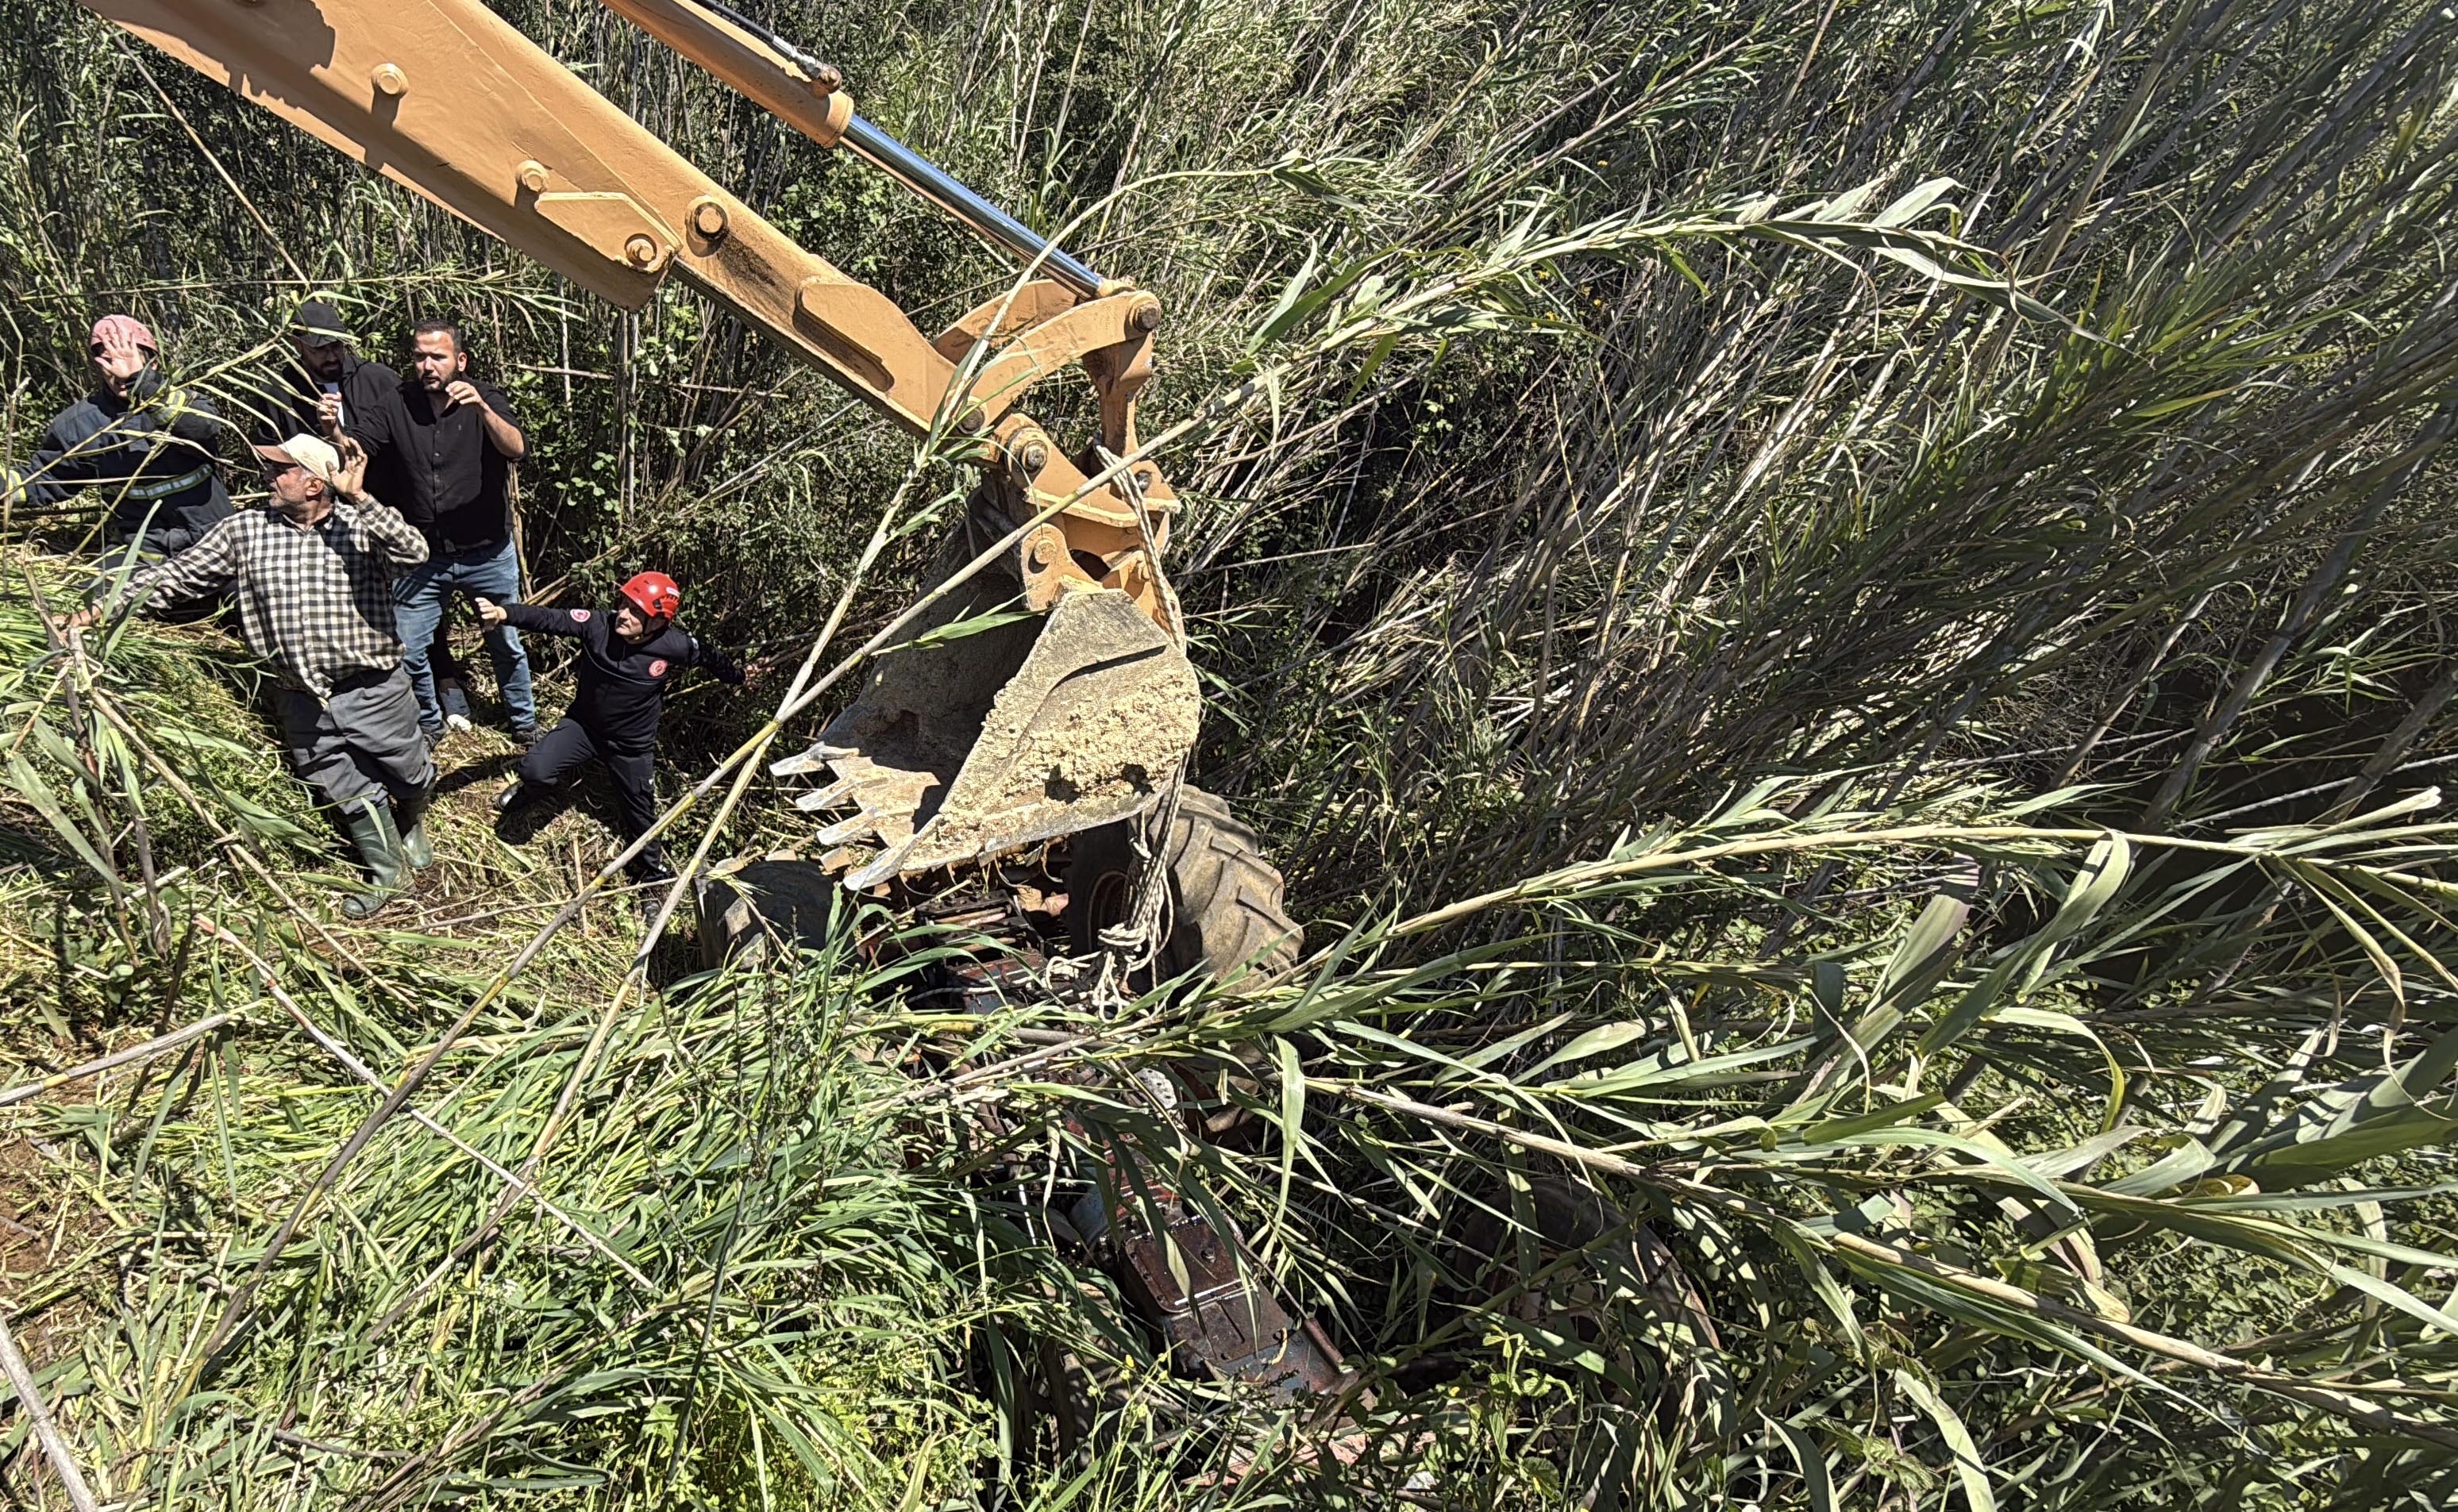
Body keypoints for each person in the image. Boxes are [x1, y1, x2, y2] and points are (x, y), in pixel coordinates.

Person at [61, 433, 437, 919]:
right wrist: (102, 607)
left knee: (407, 768)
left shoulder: (358, 527)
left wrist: (360, 497)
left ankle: (411, 822)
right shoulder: (244, 531)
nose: (269, 476)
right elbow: (177, 576)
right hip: (299, 692)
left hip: (372, 686)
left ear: (313, 485)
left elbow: (416, 553)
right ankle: (389, 871)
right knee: (339, 781)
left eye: (282, 469)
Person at [345, 317, 538, 744]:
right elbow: (360, 445)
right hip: (422, 556)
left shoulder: (484, 397)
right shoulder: (398, 402)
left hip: (487, 553)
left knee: (506, 644)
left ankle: (524, 725)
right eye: (419, 356)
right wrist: (333, 434)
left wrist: (483, 412)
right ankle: (430, 724)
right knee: (410, 649)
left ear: (460, 360)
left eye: (438, 356)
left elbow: (517, 448)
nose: (427, 365)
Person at [481, 571, 740, 885]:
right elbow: (552, 619)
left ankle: (650, 876)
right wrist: (505, 613)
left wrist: (739, 677)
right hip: (583, 727)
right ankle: (534, 792)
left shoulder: (675, 645)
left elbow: (711, 657)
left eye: (636, 612)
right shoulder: (599, 624)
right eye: (625, 603)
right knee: (534, 769)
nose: (624, 614)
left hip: (630, 746)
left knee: (641, 815)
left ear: (658, 622)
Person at [4, 314, 233, 557]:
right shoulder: (80, 425)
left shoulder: (183, 401)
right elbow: (46, 478)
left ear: (153, 363)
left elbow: (203, 428)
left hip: (213, 536)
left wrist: (143, 384)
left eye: (130, 360)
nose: (119, 373)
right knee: (103, 593)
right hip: (142, 544)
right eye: (109, 362)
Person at [253, 296, 398, 448]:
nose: (331, 357)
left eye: (336, 346)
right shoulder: (279, 394)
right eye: (320, 349)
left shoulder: (379, 380)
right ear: (297, 344)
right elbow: (271, 455)